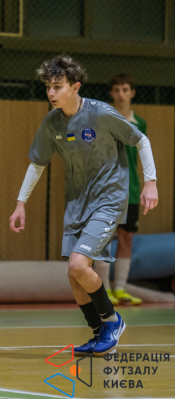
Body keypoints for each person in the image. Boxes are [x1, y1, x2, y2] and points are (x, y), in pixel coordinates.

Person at [9, 55, 158, 356]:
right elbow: (38, 164)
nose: (51, 93)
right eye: (48, 87)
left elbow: (141, 140)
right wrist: (20, 203)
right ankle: (98, 334)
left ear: (75, 87)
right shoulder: (52, 123)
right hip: (77, 203)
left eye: (57, 86)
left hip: (109, 199)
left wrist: (150, 182)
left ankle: (113, 322)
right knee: (74, 275)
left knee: (79, 265)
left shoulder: (101, 113)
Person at [94, 73, 146, 306]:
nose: (121, 94)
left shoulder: (140, 123)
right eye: (117, 90)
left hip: (131, 190)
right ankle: (104, 290)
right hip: (106, 188)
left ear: (132, 93)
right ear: (111, 93)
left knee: (127, 238)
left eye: (125, 90)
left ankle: (121, 289)